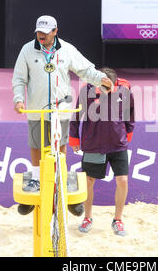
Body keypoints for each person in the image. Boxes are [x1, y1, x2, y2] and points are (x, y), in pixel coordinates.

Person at [12, 15, 113, 215]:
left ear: (55, 31)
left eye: (45, 32)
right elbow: (19, 78)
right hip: (37, 108)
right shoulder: (26, 49)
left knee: (61, 146)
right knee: (36, 145)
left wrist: (102, 79)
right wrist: (18, 99)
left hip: (61, 108)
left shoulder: (67, 49)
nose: (41, 35)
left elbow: (85, 70)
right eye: (38, 32)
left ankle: (63, 185)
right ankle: (35, 181)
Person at [69, 67, 135, 237]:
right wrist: (74, 139)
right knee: (89, 181)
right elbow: (76, 116)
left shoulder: (124, 90)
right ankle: (88, 217)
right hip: (93, 144)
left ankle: (118, 219)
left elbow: (130, 113)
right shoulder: (87, 91)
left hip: (117, 143)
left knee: (122, 180)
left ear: (114, 84)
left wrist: (128, 132)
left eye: (108, 88)